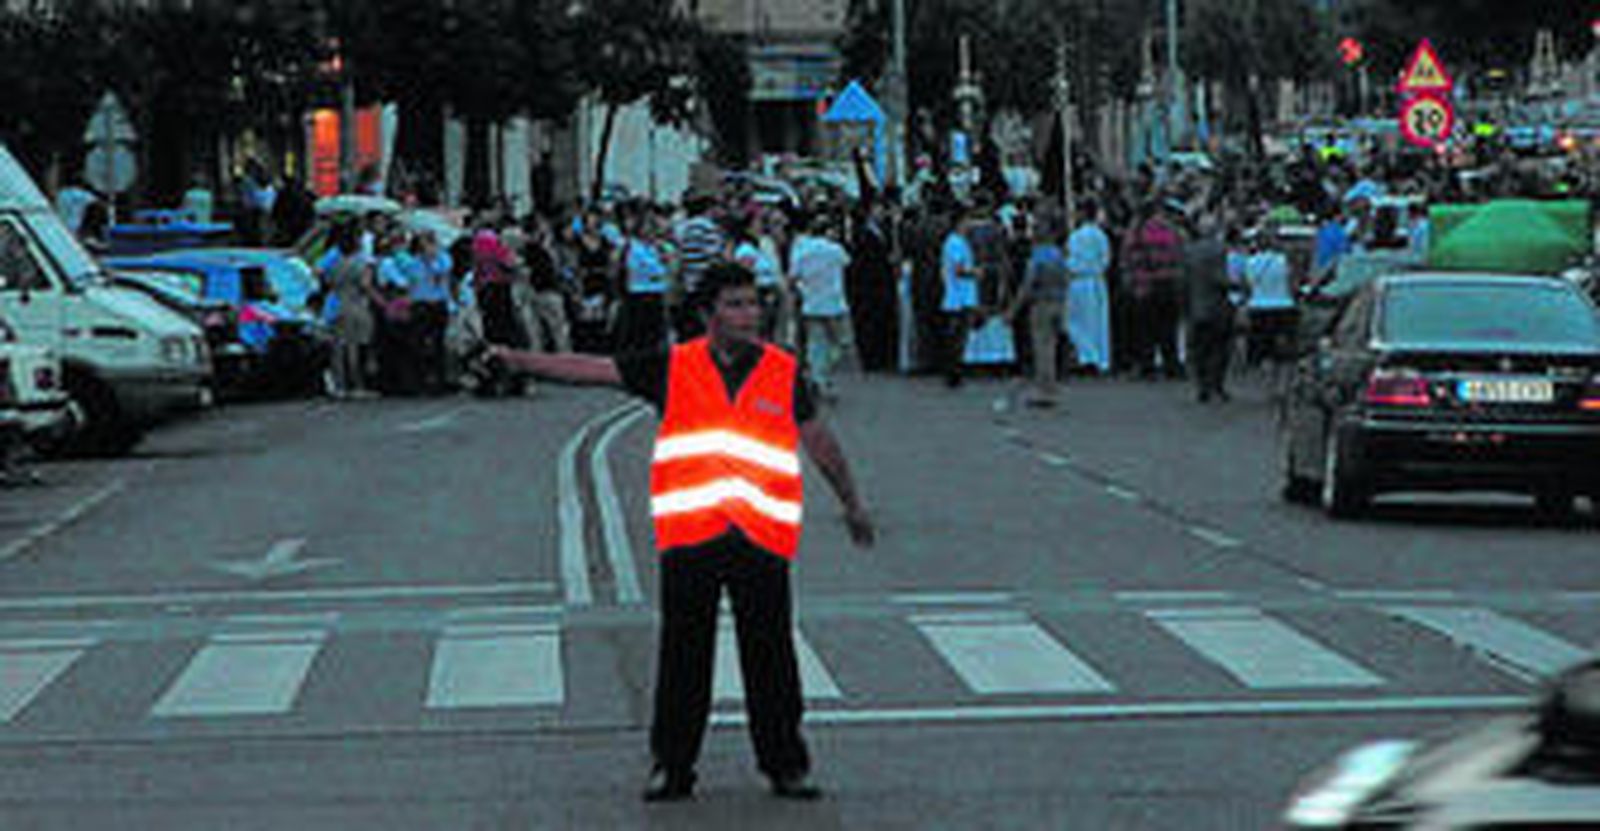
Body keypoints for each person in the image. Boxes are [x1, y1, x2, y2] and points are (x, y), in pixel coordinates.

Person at [487, 262, 875, 803]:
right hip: (692, 535)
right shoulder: (675, 366)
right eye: (735, 305)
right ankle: (673, 765)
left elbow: (819, 440)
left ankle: (786, 763)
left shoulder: (782, 371)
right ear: (707, 314)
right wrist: (520, 359)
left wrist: (852, 503)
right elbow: (593, 369)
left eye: (753, 303)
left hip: (760, 535)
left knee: (770, 656)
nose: (749, 314)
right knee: (683, 657)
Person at [1004, 207, 1069, 407]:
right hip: (1058, 301)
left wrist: (1013, 309)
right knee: (1051, 346)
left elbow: (1028, 283)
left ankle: (1044, 390)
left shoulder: (1039, 254)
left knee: (1042, 348)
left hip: (1041, 303)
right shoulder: (1059, 254)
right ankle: (1051, 386)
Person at [789, 212, 853, 400]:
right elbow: (847, 264)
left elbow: (793, 277)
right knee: (841, 342)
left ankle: (818, 376)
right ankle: (823, 373)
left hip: (811, 304)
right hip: (835, 303)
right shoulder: (835, 250)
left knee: (816, 343)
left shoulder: (802, 251)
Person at [1183, 213, 1245, 404]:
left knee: (1199, 349)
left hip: (1195, 306)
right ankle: (1216, 385)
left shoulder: (1189, 250)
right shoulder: (1219, 250)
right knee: (1219, 348)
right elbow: (1220, 279)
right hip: (1216, 306)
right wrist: (1238, 285)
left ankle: (1202, 385)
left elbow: (1183, 280)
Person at [1064, 199, 1113, 376]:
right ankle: (1098, 358)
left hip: (1080, 281)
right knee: (1096, 322)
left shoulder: (1076, 236)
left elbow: (1071, 261)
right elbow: (1106, 259)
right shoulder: (1101, 235)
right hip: (1096, 282)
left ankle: (1086, 357)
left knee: (1078, 322)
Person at [939, 206, 982, 387]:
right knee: (957, 337)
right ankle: (953, 372)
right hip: (959, 296)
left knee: (958, 336)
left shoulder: (958, 241)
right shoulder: (955, 243)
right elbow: (958, 269)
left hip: (960, 295)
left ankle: (954, 371)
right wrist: (975, 272)